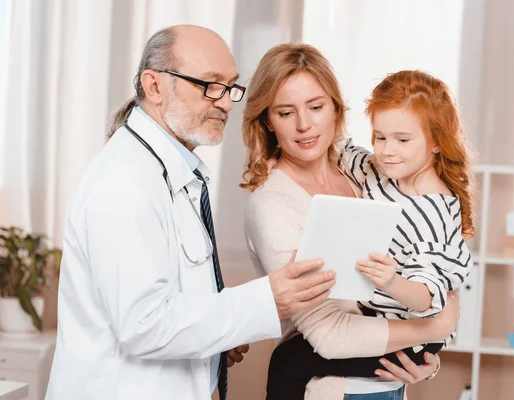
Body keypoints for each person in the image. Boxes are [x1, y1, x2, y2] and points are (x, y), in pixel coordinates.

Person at [45, 25, 337, 400]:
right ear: (154, 86)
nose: (224, 102)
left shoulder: (174, 173)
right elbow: (145, 326)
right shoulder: (124, 181)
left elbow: (172, 302)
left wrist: (219, 337)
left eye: (230, 87)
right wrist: (267, 299)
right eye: (209, 85)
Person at [241, 43, 460, 400]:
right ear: (267, 119)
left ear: (335, 108)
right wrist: (436, 327)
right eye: (285, 112)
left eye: (316, 106)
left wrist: (427, 359)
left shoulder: (368, 172)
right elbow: (328, 335)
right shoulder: (272, 204)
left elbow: (428, 266)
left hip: (392, 386)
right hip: (335, 391)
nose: (304, 125)